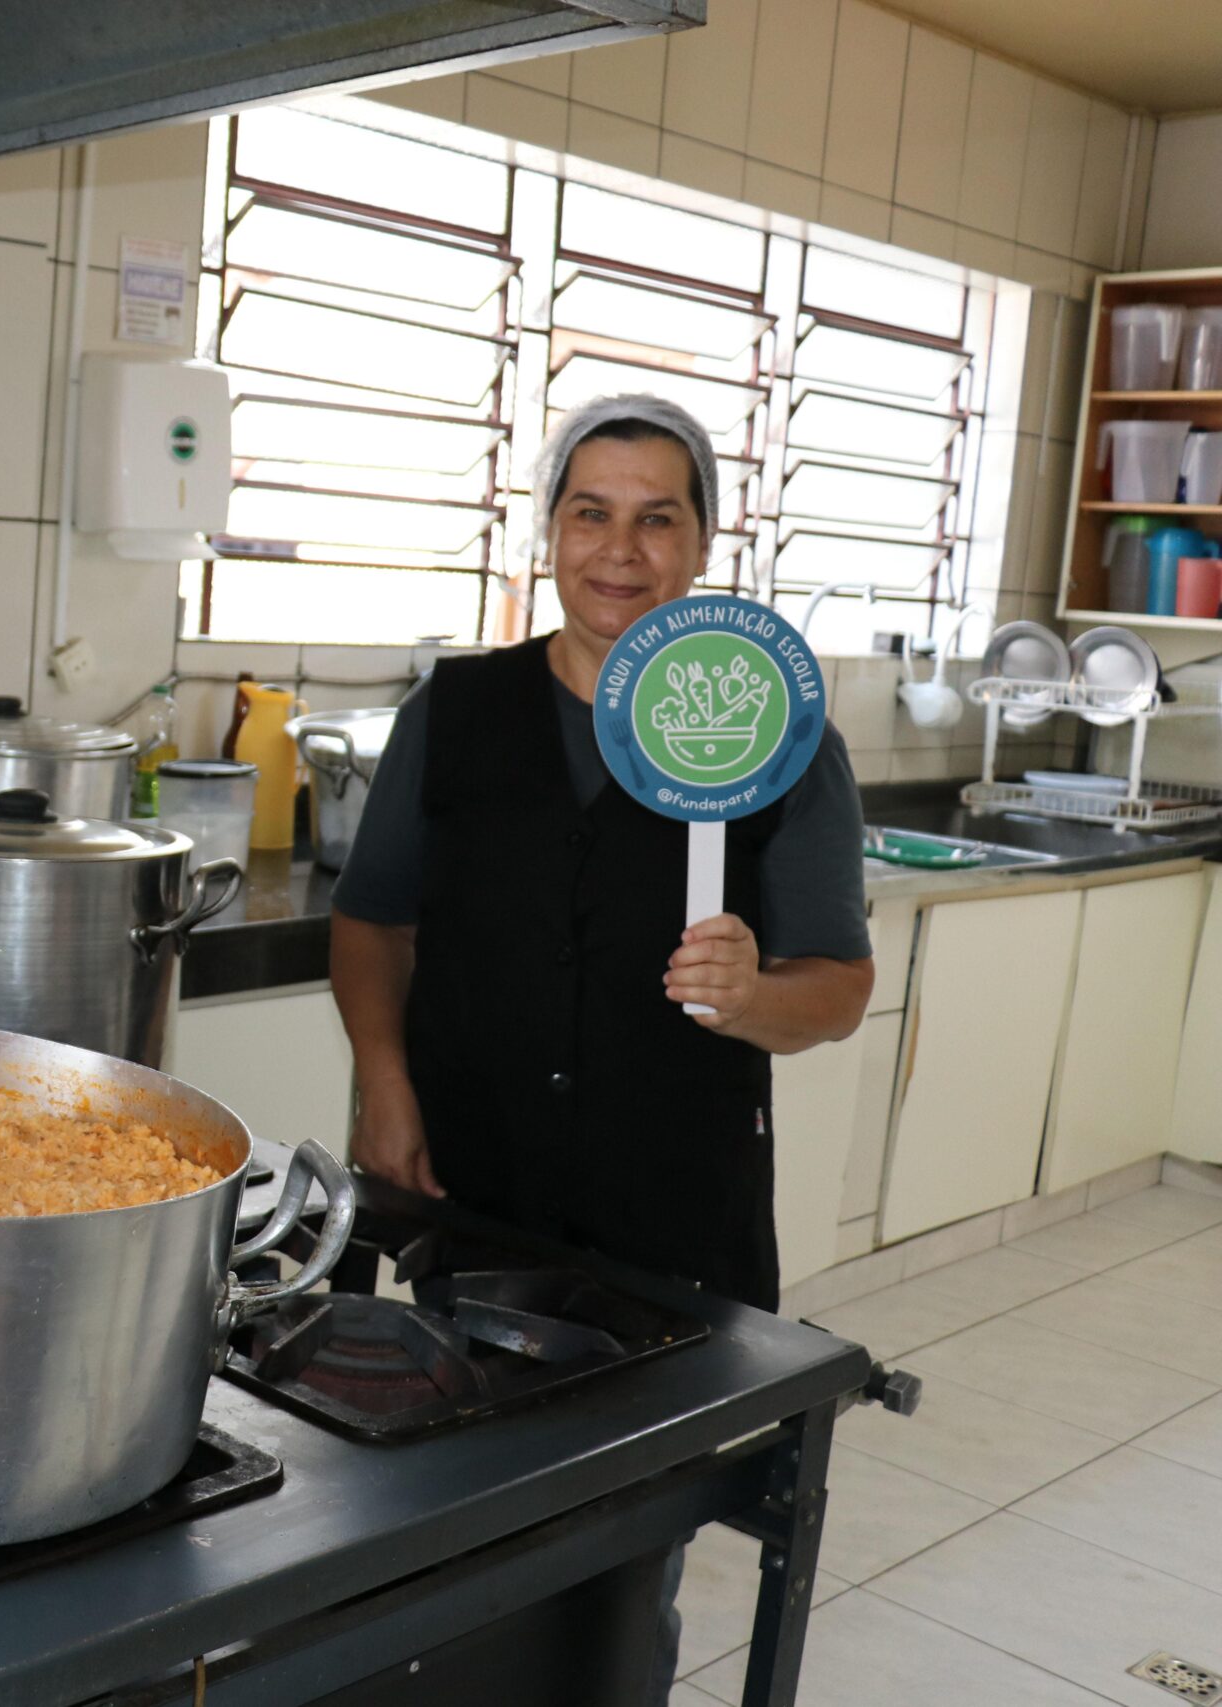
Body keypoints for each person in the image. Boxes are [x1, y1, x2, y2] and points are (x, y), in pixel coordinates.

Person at [326, 394, 873, 1698]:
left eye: (656, 519)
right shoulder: (458, 712)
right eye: (591, 514)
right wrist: (384, 1082)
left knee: (619, 1567)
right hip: (477, 1199)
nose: (620, 550)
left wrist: (752, 996)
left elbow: (839, 987)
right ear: (549, 533)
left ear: (704, 545)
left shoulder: (774, 736)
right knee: (456, 1525)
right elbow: (371, 920)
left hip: (669, 1220)